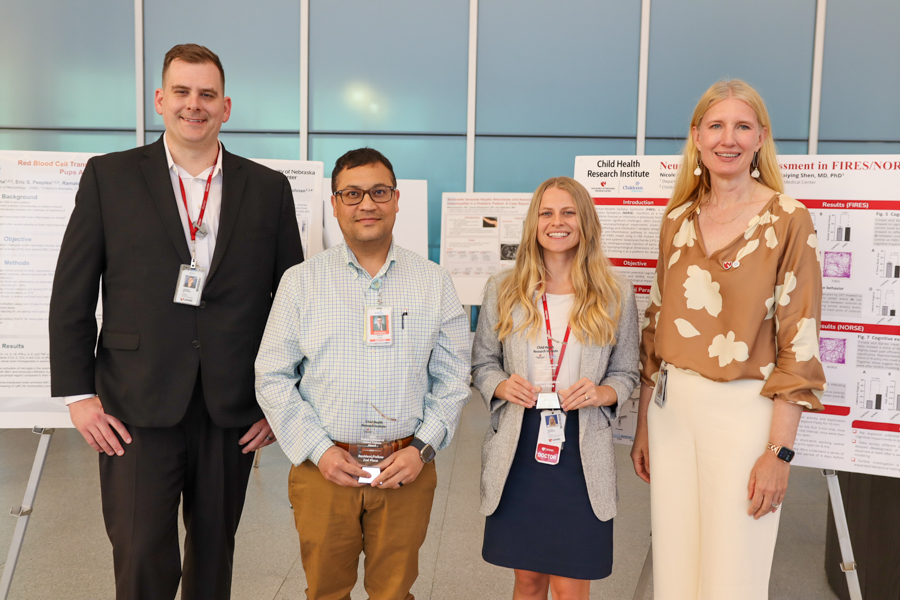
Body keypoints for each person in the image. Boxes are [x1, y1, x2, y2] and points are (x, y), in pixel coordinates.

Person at [48, 44, 303, 600]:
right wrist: (76, 395)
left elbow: (293, 304)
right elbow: (72, 292)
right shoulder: (109, 177)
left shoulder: (267, 188)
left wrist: (277, 405)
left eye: (207, 94)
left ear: (226, 106)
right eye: (182, 93)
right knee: (140, 552)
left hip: (231, 407)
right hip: (132, 404)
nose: (195, 105)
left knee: (215, 553)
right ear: (160, 100)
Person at [631, 79, 826, 600]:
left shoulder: (788, 219)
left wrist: (778, 453)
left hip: (745, 415)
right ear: (696, 137)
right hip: (672, 412)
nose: (728, 138)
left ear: (761, 137)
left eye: (742, 126)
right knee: (674, 570)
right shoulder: (676, 222)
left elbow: (799, 341)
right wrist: (644, 426)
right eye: (716, 125)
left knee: (732, 577)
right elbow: (655, 327)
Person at [255, 148, 471, 600]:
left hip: (405, 468)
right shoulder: (301, 281)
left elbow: (453, 379)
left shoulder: (434, 282)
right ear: (334, 204)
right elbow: (272, 375)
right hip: (324, 469)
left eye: (378, 192)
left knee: (394, 593)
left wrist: (421, 450)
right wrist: (318, 450)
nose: (366, 204)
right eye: (352, 194)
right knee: (326, 591)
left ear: (397, 200)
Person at [471, 176, 639, 600]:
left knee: (570, 583)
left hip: (580, 450)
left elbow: (626, 373)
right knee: (527, 580)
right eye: (547, 212)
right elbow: (482, 363)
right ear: (534, 222)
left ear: (584, 222)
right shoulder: (502, 288)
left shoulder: (615, 292)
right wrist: (501, 385)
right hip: (520, 445)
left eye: (568, 212)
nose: (557, 222)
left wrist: (602, 393)